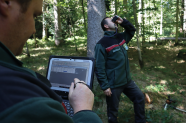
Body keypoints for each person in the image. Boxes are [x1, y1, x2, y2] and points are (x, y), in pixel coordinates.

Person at [0, 0, 102, 123]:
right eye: (34, 15)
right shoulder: (27, 105)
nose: (33, 30)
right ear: (5, 3)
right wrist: (84, 109)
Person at [94, 15, 146, 123]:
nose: (114, 22)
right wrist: (105, 86)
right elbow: (99, 67)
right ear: (106, 26)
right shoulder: (101, 44)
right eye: (111, 21)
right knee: (113, 111)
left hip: (127, 81)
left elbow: (132, 30)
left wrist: (123, 22)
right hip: (113, 84)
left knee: (140, 97)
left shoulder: (121, 37)